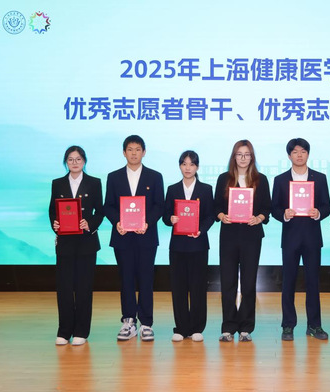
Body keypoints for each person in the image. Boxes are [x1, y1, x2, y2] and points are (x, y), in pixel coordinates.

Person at [104, 135, 164, 342]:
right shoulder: (114, 177)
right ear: (124, 153)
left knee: (146, 279)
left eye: (138, 149)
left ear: (144, 152)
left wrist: (147, 222)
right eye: (130, 149)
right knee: (126, 279)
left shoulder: (154, 177)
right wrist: (117, 222)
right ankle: (128, 321)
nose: (134, 153)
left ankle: (146, 323)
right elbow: (108, 205)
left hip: (146, 236)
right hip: (122, 237)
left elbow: (159, 205)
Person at [271, 138, 330, 341]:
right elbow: (274, 208)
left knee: (313, 282)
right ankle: (288, 325)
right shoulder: (280, 180)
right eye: (295, 152)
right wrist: (284, 214)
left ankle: (314, 325)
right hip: (290, 238)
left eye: (303, 151)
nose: (299, 155)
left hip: (312, 238)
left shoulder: (319, 178)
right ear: (289, 155)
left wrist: (318, 213)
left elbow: (327, 206)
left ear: (308, 154)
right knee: (288, 282)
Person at [214, 140, 271, 343]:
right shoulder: (224, 179)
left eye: (247, 154)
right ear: (234, 157)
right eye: (239, 154)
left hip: (251, 237)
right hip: (229, 236)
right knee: (228, 282)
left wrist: (259, 218)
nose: (243, 158)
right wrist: (221, 215)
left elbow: (267, 208)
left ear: (252, 157)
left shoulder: (261, 180)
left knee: (248, 282)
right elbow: (216, 206)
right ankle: (228, 326)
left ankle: (246, 327)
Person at [49, 145, 104, 346]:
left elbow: (100, 211)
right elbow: (52, 210)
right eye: (71, 159)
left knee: (83, 288)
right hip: (65, 243)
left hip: (86, 243)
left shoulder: (94, 183)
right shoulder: (57, 183)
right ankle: (64, 331)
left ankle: (81, 331)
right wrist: (55, 224)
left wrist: (90, 224)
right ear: (66, 162)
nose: (74, 163)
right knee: (64, 288)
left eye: (78, 159)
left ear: (84, 161)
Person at [162, 150, 215, 342]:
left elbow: (210, 216)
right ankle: (181, 328)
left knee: (198, 287)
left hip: (198, 244)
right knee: (179, 287)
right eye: (184, 164)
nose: (188, 168)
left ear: (197, 167)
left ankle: (197, 327)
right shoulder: (172, 189)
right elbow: (165, 216)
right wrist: (171, 219)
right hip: (178, 246)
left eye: (192, 164)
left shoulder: (206, 189)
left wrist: (201, 229)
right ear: (179, 166)